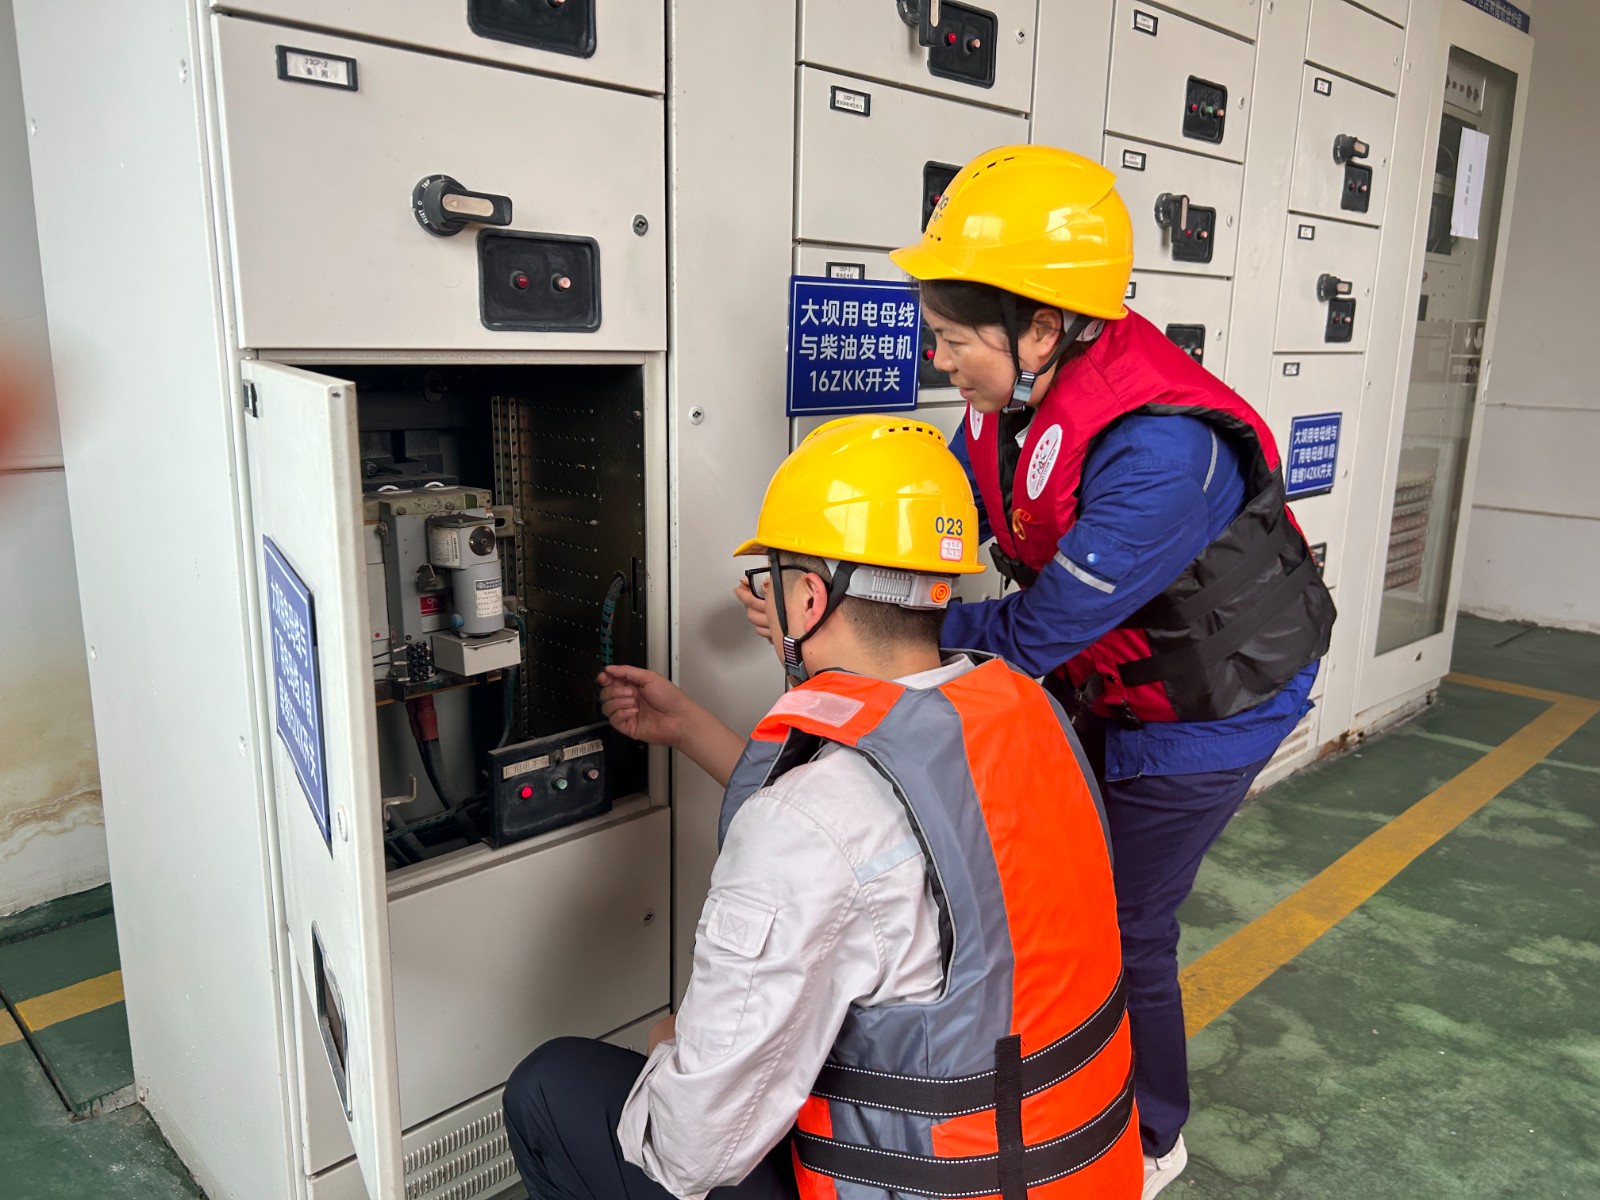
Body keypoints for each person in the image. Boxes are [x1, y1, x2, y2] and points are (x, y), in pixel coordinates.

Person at [503, 414, 1142, 1199]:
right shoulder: (1030, 716)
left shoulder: (814, 820)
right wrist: (689, 726)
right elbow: (882, 846)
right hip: (1070, 1170)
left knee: (550, 1087)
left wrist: (670, 1046)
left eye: (768, 579)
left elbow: (689, 1150)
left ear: (809, 596)